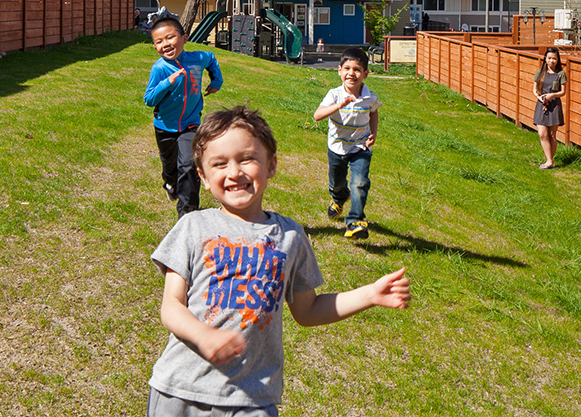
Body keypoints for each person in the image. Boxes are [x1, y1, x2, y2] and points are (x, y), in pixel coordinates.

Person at [146, 106, 411, 416]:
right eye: (219, 164)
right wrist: (203, 335)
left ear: (270, 165)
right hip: (180, 391)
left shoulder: (290, 237)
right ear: (203, 176)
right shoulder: (193, 227)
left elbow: (307, 310)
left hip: (253, 399)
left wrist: (369, 295)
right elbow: (171, 307)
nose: (234, 172)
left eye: (247, 159)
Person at [145, 17, 223, 216]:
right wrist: (166, 83)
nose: (165, 44)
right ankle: (170, 181)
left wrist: (217, 80)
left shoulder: (197, 58)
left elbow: (211, 58)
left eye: (170, 38)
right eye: (159, 42)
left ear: (184, 38)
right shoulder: (160, 68)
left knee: (189, 164)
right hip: (165, 127)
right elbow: (149, 99)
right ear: (155, 47)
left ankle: (187, 212)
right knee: (170, 165)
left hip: (191, 123)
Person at [313, 48, 381, 240]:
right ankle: (339, 197)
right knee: (337, 184)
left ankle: (355, 221)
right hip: (337, 148)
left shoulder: (369, 97)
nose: (352, 73)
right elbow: (317, 115)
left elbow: (374, 112)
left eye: (357, 69)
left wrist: (373, 133)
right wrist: (338, 106)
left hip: (360, 147)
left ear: (366, 74)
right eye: (347, 68)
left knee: (360, 183)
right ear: (339, 71)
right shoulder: (334, 95)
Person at [532, 46, 567, 169]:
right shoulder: (540, 72)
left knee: (552, 135)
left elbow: (563, 92)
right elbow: (535, 90)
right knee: (542, 134)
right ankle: (549, 161)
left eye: (554, 58)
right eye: (549, 58)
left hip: (554, 106)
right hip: (541, 105)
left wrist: (551, 95)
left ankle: (549, 161)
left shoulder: (561, 74)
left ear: (558, 60)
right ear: (545, 59)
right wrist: (540, 98)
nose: (552, 61)